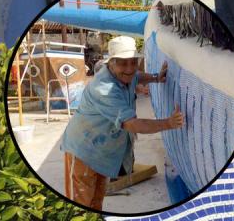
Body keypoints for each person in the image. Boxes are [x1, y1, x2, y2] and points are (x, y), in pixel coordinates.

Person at [60, 36, 184, 210]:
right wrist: (168, 123)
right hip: (83, 150)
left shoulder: (126, 73)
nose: (129, 68)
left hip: (103, 153)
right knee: (79, 206)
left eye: (133, 62)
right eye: (123, 63)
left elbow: (136, 76)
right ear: (111, 63)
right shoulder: (104, 89)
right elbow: (132, 125)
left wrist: (156, 77)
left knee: (96, 202)